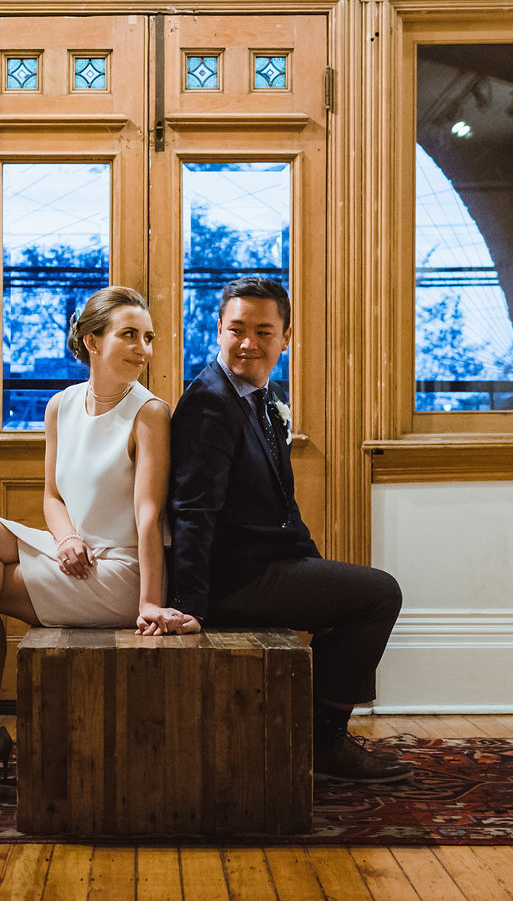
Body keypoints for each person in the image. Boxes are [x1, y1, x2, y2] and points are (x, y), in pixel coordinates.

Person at [0, 286, 199, 778]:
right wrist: (66, 539)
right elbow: (53, 496)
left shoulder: (150, 413)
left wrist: (149, 601)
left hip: (122, 571)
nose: (143, 350)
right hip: (77, 553)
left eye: (148, 338)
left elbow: (149, 513)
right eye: (129, 335)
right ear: (92, 341)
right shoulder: (61, 406)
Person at [167, 275, 412, 782]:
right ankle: (325, 743)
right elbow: (193, 510)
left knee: (354, 595)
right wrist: (190, 607)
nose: (248, 343)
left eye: (263, 331)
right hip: (231, 581)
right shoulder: (210, 402)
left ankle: (311, 734)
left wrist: (314, 574)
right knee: (380, 594)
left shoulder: (263, 396)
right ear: (217, 331)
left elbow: (284, 504)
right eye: (237, 329)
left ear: (286, 337)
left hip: (268, 565)